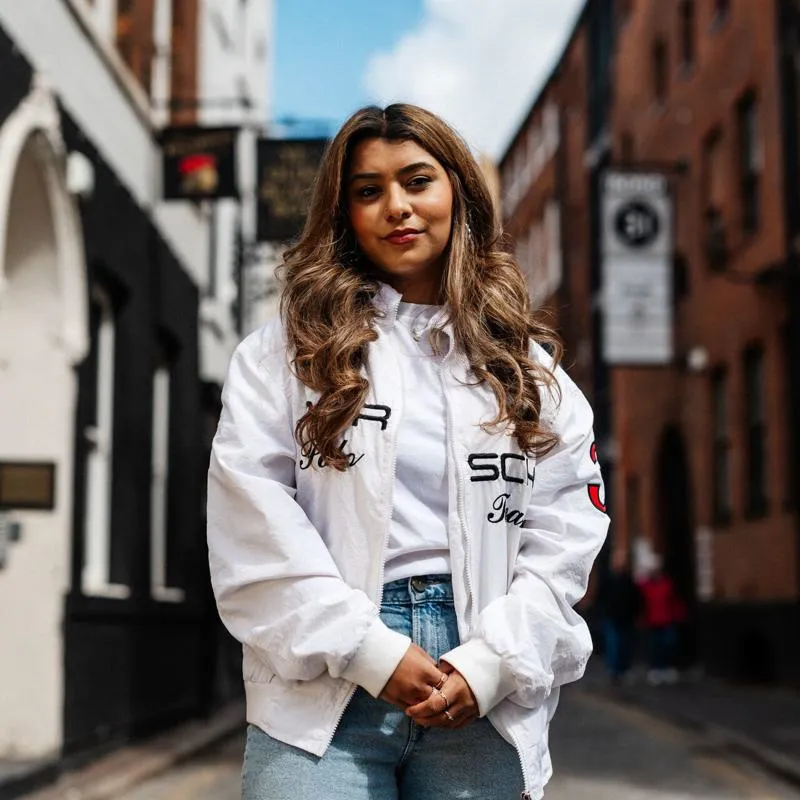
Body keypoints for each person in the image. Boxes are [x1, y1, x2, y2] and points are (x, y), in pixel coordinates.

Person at [207, 103, 609, 800]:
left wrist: (490, 664)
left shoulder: (530, 373)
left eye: (417, 180)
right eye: (368, 191)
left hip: (479, 679)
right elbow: (254, 520)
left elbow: (565, 539)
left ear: (457, 192)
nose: (396, 206)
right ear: (344, 213)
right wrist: (371, 649)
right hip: (321, 687)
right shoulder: (280, 356)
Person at [637, 557, 685, 685]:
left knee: (668, 645)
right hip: (652, 621)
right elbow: (638, 600)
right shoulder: (644, 585)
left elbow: (673, 600)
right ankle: (655, 670)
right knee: (655, 647)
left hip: (667, 619)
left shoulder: (667, 583)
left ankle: (666, 668)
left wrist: (678, 615)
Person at [601, 551, 643, 684]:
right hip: (613, 616)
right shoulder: (609, 580)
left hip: (626, 617)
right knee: (614, 644)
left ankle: (622, 669)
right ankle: (614, 670)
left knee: (624, 644)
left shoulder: (629, 582)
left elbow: (636, 599)